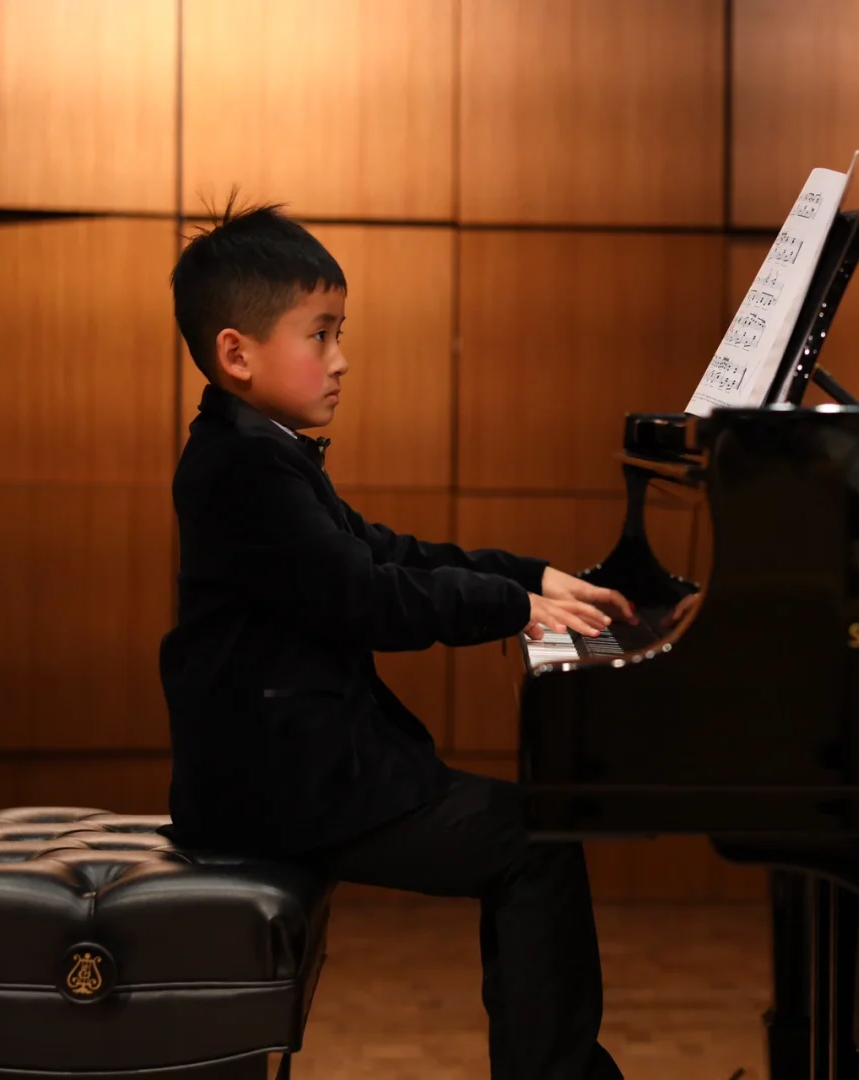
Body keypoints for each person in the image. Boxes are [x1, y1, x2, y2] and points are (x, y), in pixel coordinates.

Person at [159, 196, 631, 1080]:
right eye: (321, 335)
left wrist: (529, 577)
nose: (342, 359)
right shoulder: (243, 469)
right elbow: (368, 598)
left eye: (340, 333)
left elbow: (386, 553)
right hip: (279, 785)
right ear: (237, 353)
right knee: (535, 846)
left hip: (288, 767)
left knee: (532, 838)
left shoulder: (258, 449)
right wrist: (511, 607)